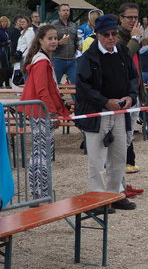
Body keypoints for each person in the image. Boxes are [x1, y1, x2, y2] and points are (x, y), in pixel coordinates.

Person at [75, 15, 138, 211]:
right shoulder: (88, 57)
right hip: (97, 112)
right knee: (97, 157)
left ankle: (114, 194)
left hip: (119, 110)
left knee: (119, 155)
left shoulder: (122, 52)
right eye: (106, 35)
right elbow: (82, 87)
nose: (111, 38)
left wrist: (131, 96)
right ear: (98, 35)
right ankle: (97, 196)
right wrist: (104, 101)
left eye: (114, 34)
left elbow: (133, 77)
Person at [18, 25, 70, 200]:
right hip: (41, 112)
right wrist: (52, 112)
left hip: (39, 111)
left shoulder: (41, 59)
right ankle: (40, 192)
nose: (54, 41)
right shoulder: (41, 61)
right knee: (42, 152)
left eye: (56, 38)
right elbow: (42, 90)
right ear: (41, 40)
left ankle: (39, 191)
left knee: (40, 151)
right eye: (50, 38)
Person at [117, 2, 144, 175]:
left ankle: (126, 162)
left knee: (129, 130)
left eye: (136, 17)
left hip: (135, 90)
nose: (133, 21)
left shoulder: (134, 37)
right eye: (130, 17)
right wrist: (135, 39)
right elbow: (123, 60)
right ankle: (117, 166)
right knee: (122, 131)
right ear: (121, 18)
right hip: (122, 93)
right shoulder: (116, 37)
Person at [51, 4, 79, 84]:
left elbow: (75, 40)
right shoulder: (53, 25)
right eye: (63, 10)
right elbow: (47, 42)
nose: (66, 12)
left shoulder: (73, 25)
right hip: (57, 59)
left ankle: (76, 97)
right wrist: (58, 43)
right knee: (54, 84)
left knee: (76, 85)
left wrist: (78, 46)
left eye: (67, 10)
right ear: (59, 12)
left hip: (72, 60)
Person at [12, 16, 34, 86]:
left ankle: (28, 92)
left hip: (26, 57)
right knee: (25, 75)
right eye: (21, 22)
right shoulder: (23, 32)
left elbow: (30, 45)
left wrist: (28, 56)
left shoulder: (29, 32)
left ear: (28, 23)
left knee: (26, 75)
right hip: (22, 56)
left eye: (24, 22)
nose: (22, 23)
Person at [0, 17, 13, 88]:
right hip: (2, 52)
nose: (4, 23)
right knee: (2, 69)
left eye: (5, 21)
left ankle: (7, 84)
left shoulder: (8, 31)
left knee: (8, 68)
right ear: (0, 23)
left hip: (8, 51)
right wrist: (6, 42)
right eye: (2, 22)